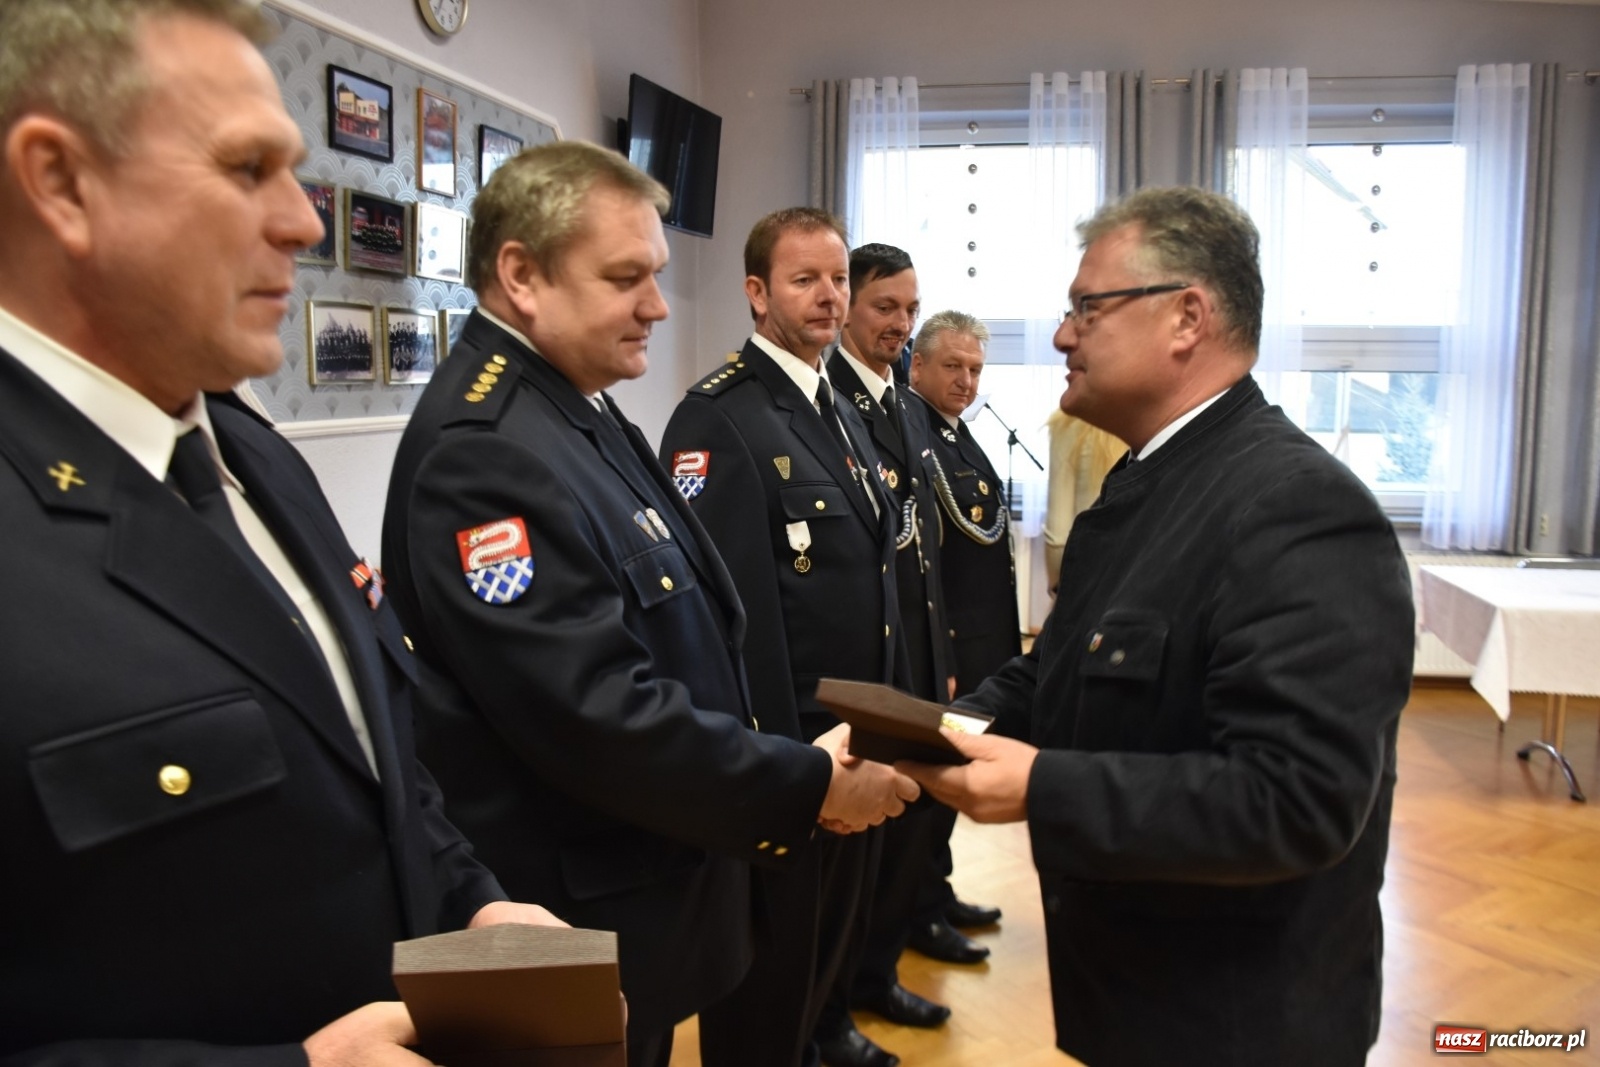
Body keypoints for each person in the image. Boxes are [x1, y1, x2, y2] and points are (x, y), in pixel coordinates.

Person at [0, 2, 561, 1063]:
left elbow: (372, 768)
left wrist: (474, 905)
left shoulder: (251, 456)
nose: (305, 223)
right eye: (248, 167)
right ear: (61, 181)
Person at [379, 144, 917, 1067]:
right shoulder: (485, 450)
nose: (659, 306)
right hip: (573, 918)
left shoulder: (572, 406)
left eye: (656, 275)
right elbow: (594, 711)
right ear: (522, 276)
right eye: (626, 278)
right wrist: (804, 782)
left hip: (646, 882)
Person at [902, 186, 1415, 1066]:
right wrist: (932, 731)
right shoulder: (1153, 480)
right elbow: (1059, 668)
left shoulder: (1296, 506)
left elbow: (1297, 799)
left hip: (1234, 1022)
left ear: (1186, 317)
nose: (1062, 336)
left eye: (1086, 309)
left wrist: (1043, 785)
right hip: (1137, 995)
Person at [659, 207, 902, 1067]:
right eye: (805, 280)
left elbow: (876, 578)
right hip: (793, 751)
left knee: (828, 943)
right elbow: (729, 622)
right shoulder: (720, 417)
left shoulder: (838, 404)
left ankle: (820, 1039)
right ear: (758, 293)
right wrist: (781, 766)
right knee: (770, 977)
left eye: (838, 278)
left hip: (857, 740)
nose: (829, 296)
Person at [905, 310, 1021, 964]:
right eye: (953, 366)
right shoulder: (912, 434)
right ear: (918, 365)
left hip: (982, 648)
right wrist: (942, 654)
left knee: (951, 777)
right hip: (947, 648)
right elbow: (925, 564)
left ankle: (937, 890)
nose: (966, 381)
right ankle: (918, 911)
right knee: (931, 786)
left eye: (975, 369)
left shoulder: (959, 434)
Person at [1041, 407, 1123, 594]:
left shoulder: (1069, 422)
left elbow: (1058, 536)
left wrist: (1057, 588)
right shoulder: (1156, 418)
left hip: (1085, 575)